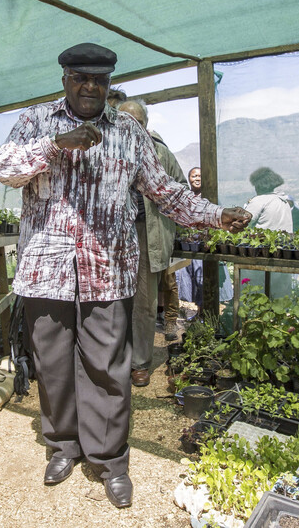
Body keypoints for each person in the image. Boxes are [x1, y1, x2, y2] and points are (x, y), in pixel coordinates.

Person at [0, 42, 251, 509]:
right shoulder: (35, 122)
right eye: (81, 78)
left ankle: (110, 459)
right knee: (52, 366)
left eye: (100, 80)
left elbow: (167, 192)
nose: (90, 86)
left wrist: (215, 215)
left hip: (106, 270)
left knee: (107, 368)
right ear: (65, 78)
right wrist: (54, 146)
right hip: (46, 270)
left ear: (109, 84)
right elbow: (5, 169)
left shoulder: (128, 132)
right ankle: (62, 446)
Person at [116, 99, 187, 387]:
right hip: (113, 236)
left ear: (145, 124)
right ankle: (113, 358)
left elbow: (180, 190)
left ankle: (139, 363)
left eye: (137, 122)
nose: (131, 127)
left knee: (144, 302)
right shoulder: (105, 151)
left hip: (148, 233)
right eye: (124, 122)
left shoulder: (161, 153)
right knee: (112, 300)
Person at [176, 167, 234, 316]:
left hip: (207, 245)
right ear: (189, 179)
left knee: (206, 280)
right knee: (193, 281)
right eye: (194, 176)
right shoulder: (186, 198)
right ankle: (200, 313)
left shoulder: (211, 197)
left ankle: (208, 314)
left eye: (200, 176)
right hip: (190, 246)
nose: (197, 178)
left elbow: (220, 218)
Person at [242, 167, 293, 298]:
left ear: (257, 185)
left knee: (255, 294)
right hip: (283, 252)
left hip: (261, 254)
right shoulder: (283, 201)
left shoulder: (259, 200)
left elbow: (243, 222)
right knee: (279, 296)